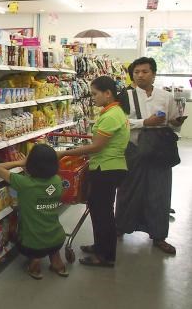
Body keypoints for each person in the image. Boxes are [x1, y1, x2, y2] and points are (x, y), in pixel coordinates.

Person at [56, 76, 129, 267]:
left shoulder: (112, 115)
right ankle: (100, 247)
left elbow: (96, 147)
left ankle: (105, 256)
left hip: (107, 169)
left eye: (95, 94)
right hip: (106, 167)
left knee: (103, 213)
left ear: (108, 93)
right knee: (97, 210)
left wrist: (65, 152)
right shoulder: (113, 112)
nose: (93, 97)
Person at [115, 57, 185, 255]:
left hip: (159, 150)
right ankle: (120, 227)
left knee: (159, 191)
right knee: (128, 189)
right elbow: (121, 124)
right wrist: (146, 122)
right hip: (134, 149)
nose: (140, 75)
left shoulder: (165, 96)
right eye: (136, 72)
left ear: (153, 74)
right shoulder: (124, 96)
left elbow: (173, 124)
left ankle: (159, 235)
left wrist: (175, 121)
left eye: (145, 71)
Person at [0, 144, 67, 279]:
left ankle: (35, 263)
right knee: (52, 243)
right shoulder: (57, 181)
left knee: (31, 244)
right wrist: (28, 169)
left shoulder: (23, 183)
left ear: (31, 164)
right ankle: (58, 263)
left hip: (32, 244)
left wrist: (21, 162)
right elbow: (42, 187)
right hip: (58, 239)